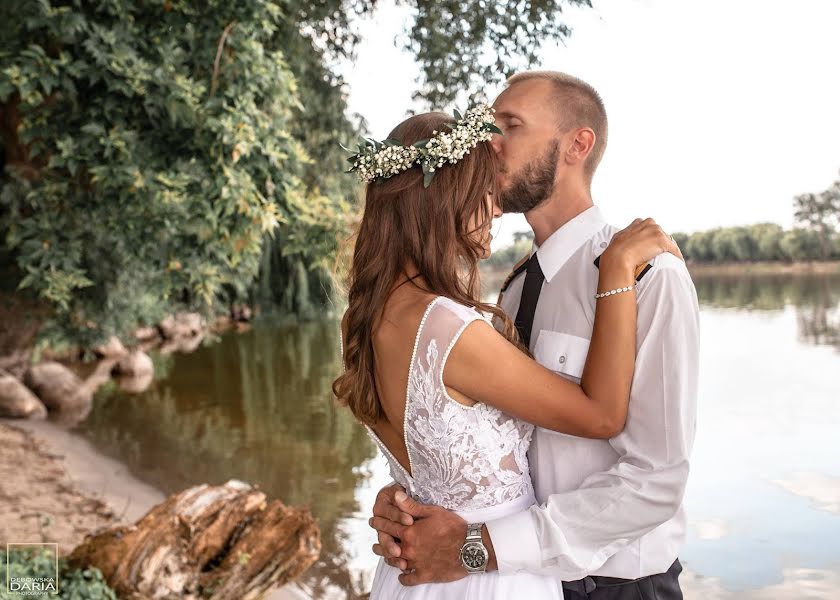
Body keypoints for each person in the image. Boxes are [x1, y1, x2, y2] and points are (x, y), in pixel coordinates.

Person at [335, 96, 687, 599]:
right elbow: (601, 415)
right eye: (482, 188)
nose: (495, 205)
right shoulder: (460, 322)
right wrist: (614, 271)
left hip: (443, 577)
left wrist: (401, 503)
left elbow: (431, 449)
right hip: (480, 579)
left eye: (511, 125)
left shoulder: (373, 318)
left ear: (577, 144)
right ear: (445, 200)